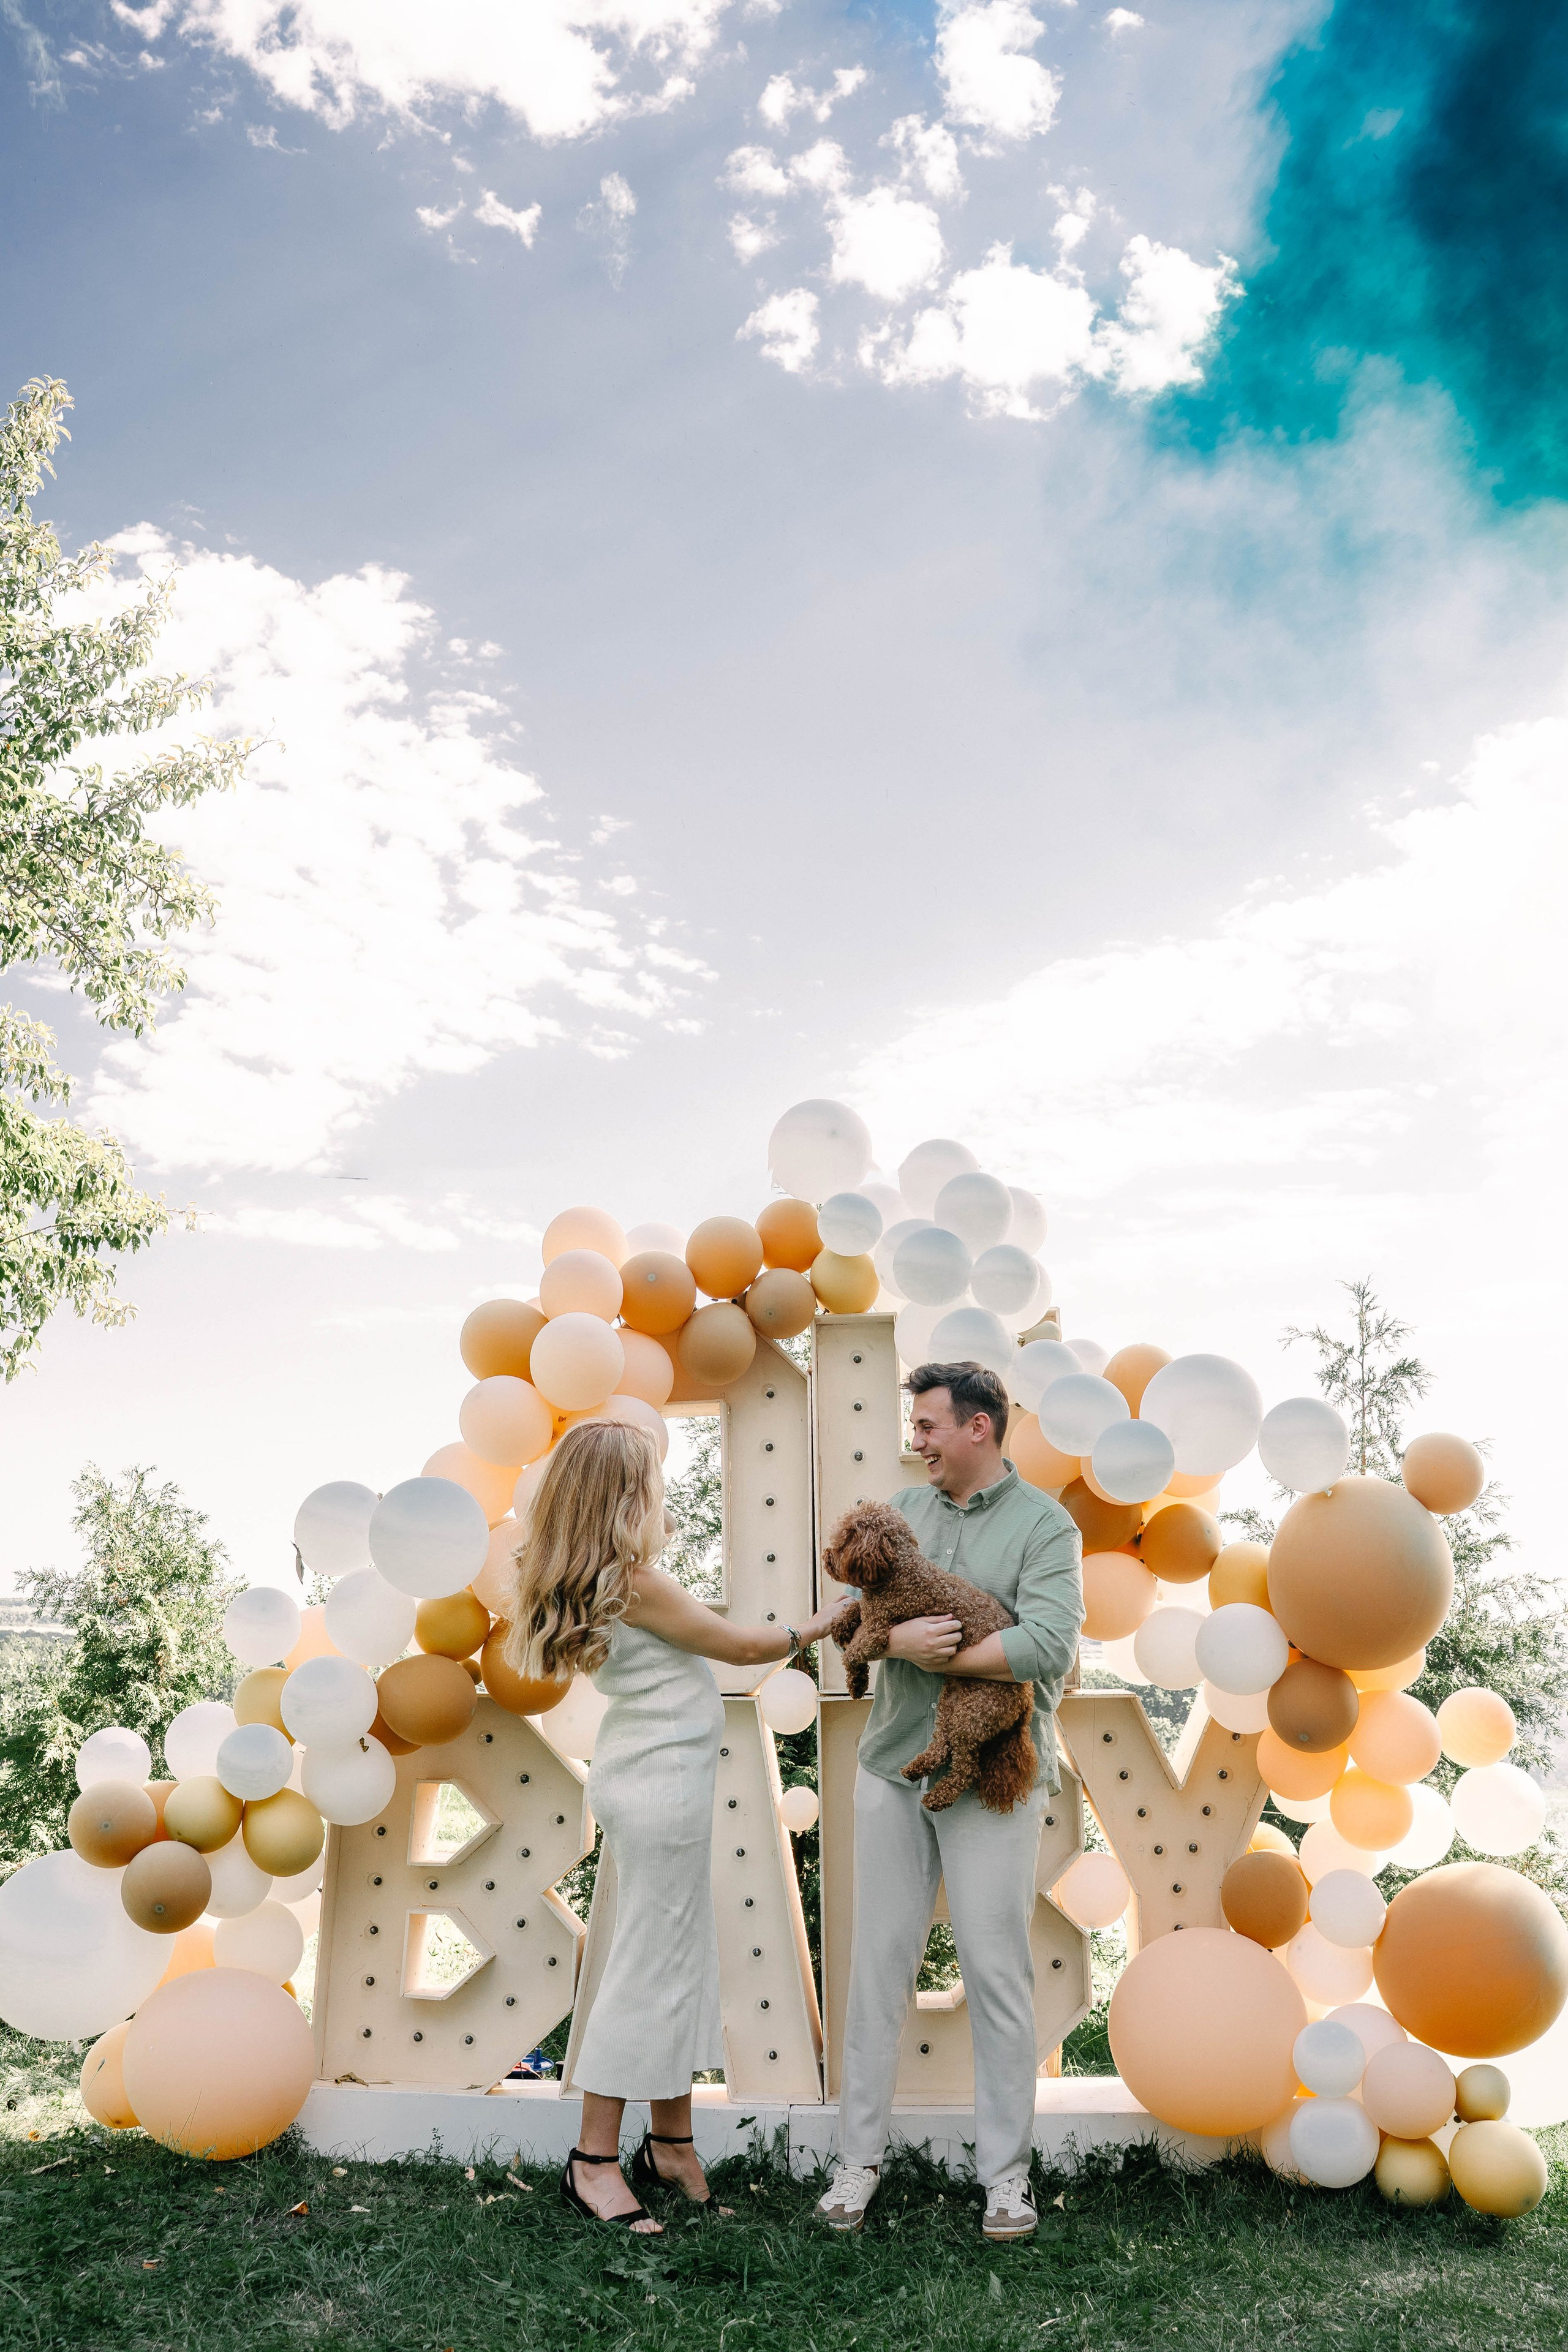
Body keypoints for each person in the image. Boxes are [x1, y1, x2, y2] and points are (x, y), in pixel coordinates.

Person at [505, 1418, 845, 2233]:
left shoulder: (609, 1580)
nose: (662, 1492)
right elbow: (738, 1646)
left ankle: (671, 2144)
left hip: (657, 1784)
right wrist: (828, 1622)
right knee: (649, 1972)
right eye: (653, 1479)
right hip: (659, 1791)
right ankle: (592, 2162)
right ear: (628, 1495)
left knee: (676, 1962)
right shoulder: (633, 1582)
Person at [815, 1359, 1084, 2243]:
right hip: (894, 1769)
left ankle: (1006, 2179)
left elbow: (1047, 1647)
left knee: (996, 1974)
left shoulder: (1048, 1527)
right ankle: (858, 2161)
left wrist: (939, 1657)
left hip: (995, 1781)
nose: (917, 1441)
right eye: (916, 1426)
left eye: (929, 1425)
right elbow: (866, 1616)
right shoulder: (902, 1513)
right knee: (876, 1968)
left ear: (980, 1427)